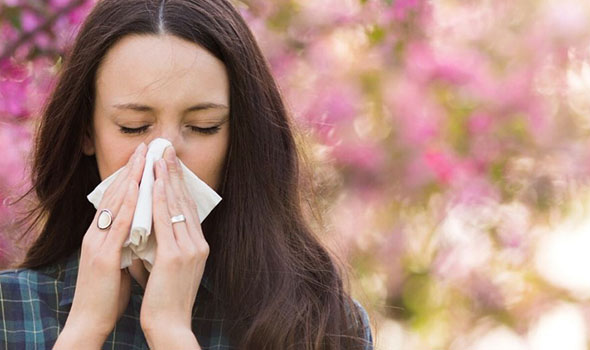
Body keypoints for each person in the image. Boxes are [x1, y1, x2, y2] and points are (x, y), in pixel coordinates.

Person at [0, 0, 374, 349]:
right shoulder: (11, 310)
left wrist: (170, 331)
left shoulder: (322, 326)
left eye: (203, 126)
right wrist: (84, 329)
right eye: (133, 126)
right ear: (86, 131)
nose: (165, 155)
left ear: (238, 136)